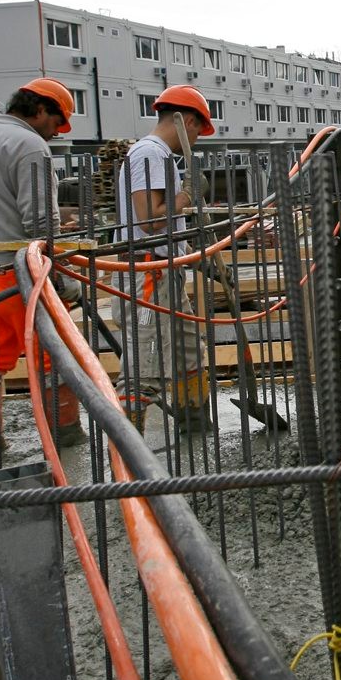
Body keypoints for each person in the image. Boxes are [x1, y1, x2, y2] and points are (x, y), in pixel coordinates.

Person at [0, 77, 85, 459]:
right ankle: (66, 434)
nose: (55, 132)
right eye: (56, 123)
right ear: (40, 109)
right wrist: (58, 275)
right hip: (25, 273)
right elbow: (40, 221)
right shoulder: (29, 144)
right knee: (53, 353)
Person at [113, 84, 214, 440]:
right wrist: (189, 194)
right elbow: (151, 220)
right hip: (147, 272)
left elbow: (166, 225)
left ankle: (197, 426)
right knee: (146, 365)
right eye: (200, 129)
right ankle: (130, 455)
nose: (199, 138)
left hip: (164, 269)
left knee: (189, 352)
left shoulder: (157, 157)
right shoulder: (150, 155)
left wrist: (195, 255)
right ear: (186, 121)